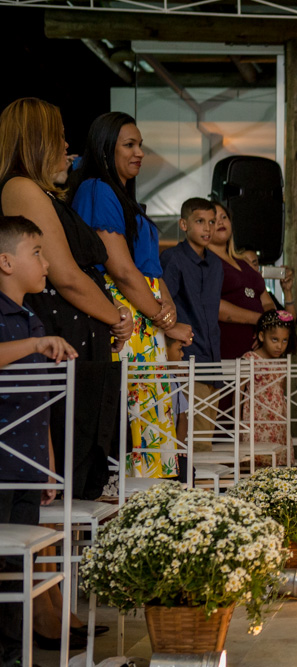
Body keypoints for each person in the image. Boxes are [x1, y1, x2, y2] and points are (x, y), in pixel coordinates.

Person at [0, 97, 131, 502]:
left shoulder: (42, 190)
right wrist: (116, 317)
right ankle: (59, 562)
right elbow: (66, 275)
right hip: (62, 330)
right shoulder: (20, 187)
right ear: (37, 141)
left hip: (78, 333)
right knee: (70, 470)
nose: (64, 145)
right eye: (57, 137)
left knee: (84, 467)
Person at [71, 112, 191, 480]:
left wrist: (166, 304)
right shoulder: (97, 189)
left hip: (146, 312)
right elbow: (121, 270)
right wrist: (162, 317)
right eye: (130, 145)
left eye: (141, 145)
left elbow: (149, 269)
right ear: (106, 149)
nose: (139, 152)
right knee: (136, 422)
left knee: (151, 415)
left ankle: (150, 512)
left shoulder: (122, 195)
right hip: (127, 316)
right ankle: (130, 517)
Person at [0, 215, 78, 665]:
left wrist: (49, 461)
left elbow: (41, 402)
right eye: (37, 253)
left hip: (28, 463)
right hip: (2, 465)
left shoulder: (32, 317)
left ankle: (15, 653)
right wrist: (34, 347)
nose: (46, 262)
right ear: (5, 262)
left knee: (18, 569)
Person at [159, 197, 223, 453]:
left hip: (212, 357)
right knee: (189, 439)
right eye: (200, 222)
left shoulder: (217, 264)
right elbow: (163, 306)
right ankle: (189, 491)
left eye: (211, 222)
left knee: (205, 439)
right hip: (186, 356)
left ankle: (202, 492)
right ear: (184, 224)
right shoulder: (172, 259)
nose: (207, 228)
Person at [209, 201, 275, 360]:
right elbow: (212, 305)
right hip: (227, 350)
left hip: (258, 352)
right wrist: (260, 320)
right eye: (213, 220)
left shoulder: (244, 263)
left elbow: (266, 301)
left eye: (224, 217)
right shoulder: (206, 263)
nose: (220, 222)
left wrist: (267, 328)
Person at [241, 310, 296, 467]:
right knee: (257, 460)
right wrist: (237, 420)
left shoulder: (281, 362)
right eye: (275, 339)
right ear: (261, 336)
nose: (280, 346)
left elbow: (281, 391)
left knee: (278, 458)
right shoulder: (250, 359)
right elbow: (238, 392)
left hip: (278, 419)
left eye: (284, 341)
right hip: (256, 418)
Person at [238, 247, 296, 319]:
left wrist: (287, 292)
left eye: (255, 264)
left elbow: (290, 321)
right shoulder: (234, 294)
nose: (251, 268)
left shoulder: (267, 295)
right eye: (246, 264)